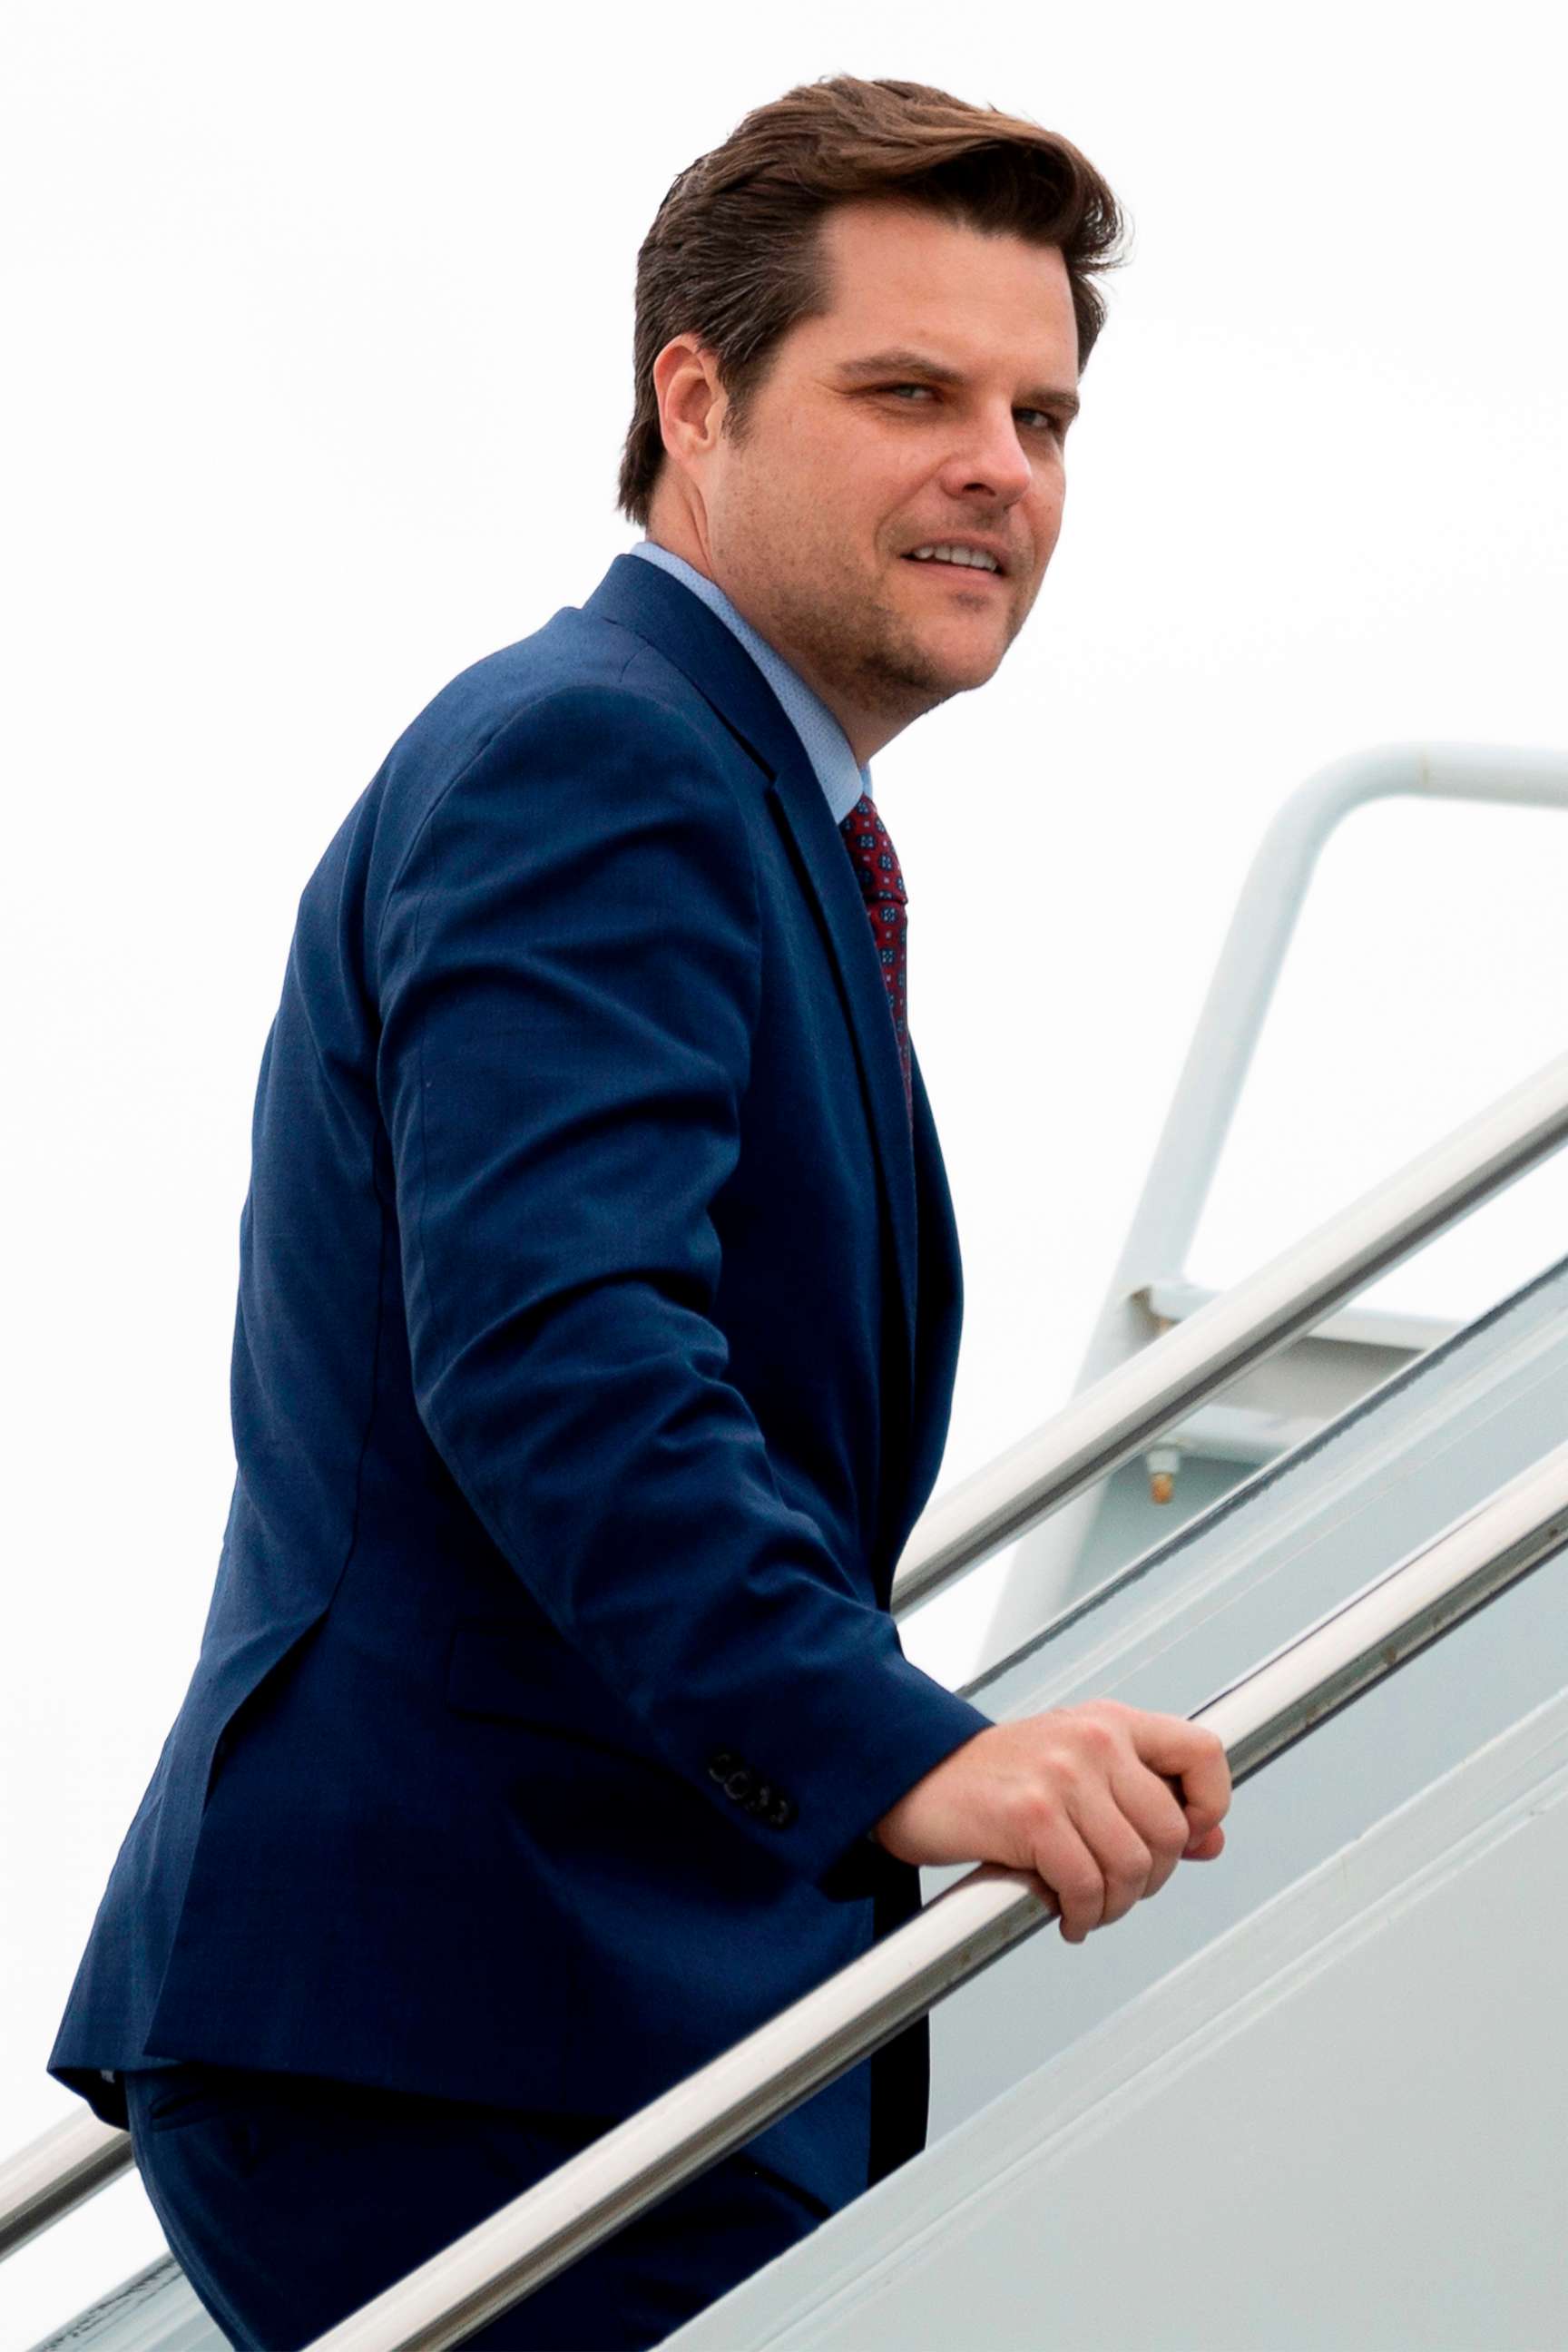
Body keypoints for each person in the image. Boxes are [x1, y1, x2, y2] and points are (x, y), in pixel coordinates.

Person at [49, 72, 1230, 2352]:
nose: (1004, 464)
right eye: (911, 391)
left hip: (560, 2012)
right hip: (478, 2017)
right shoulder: (602, 753)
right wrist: (910, 1750)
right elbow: (561, 1352)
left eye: (1046, 414)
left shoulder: (741, 798)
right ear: (694, 401)